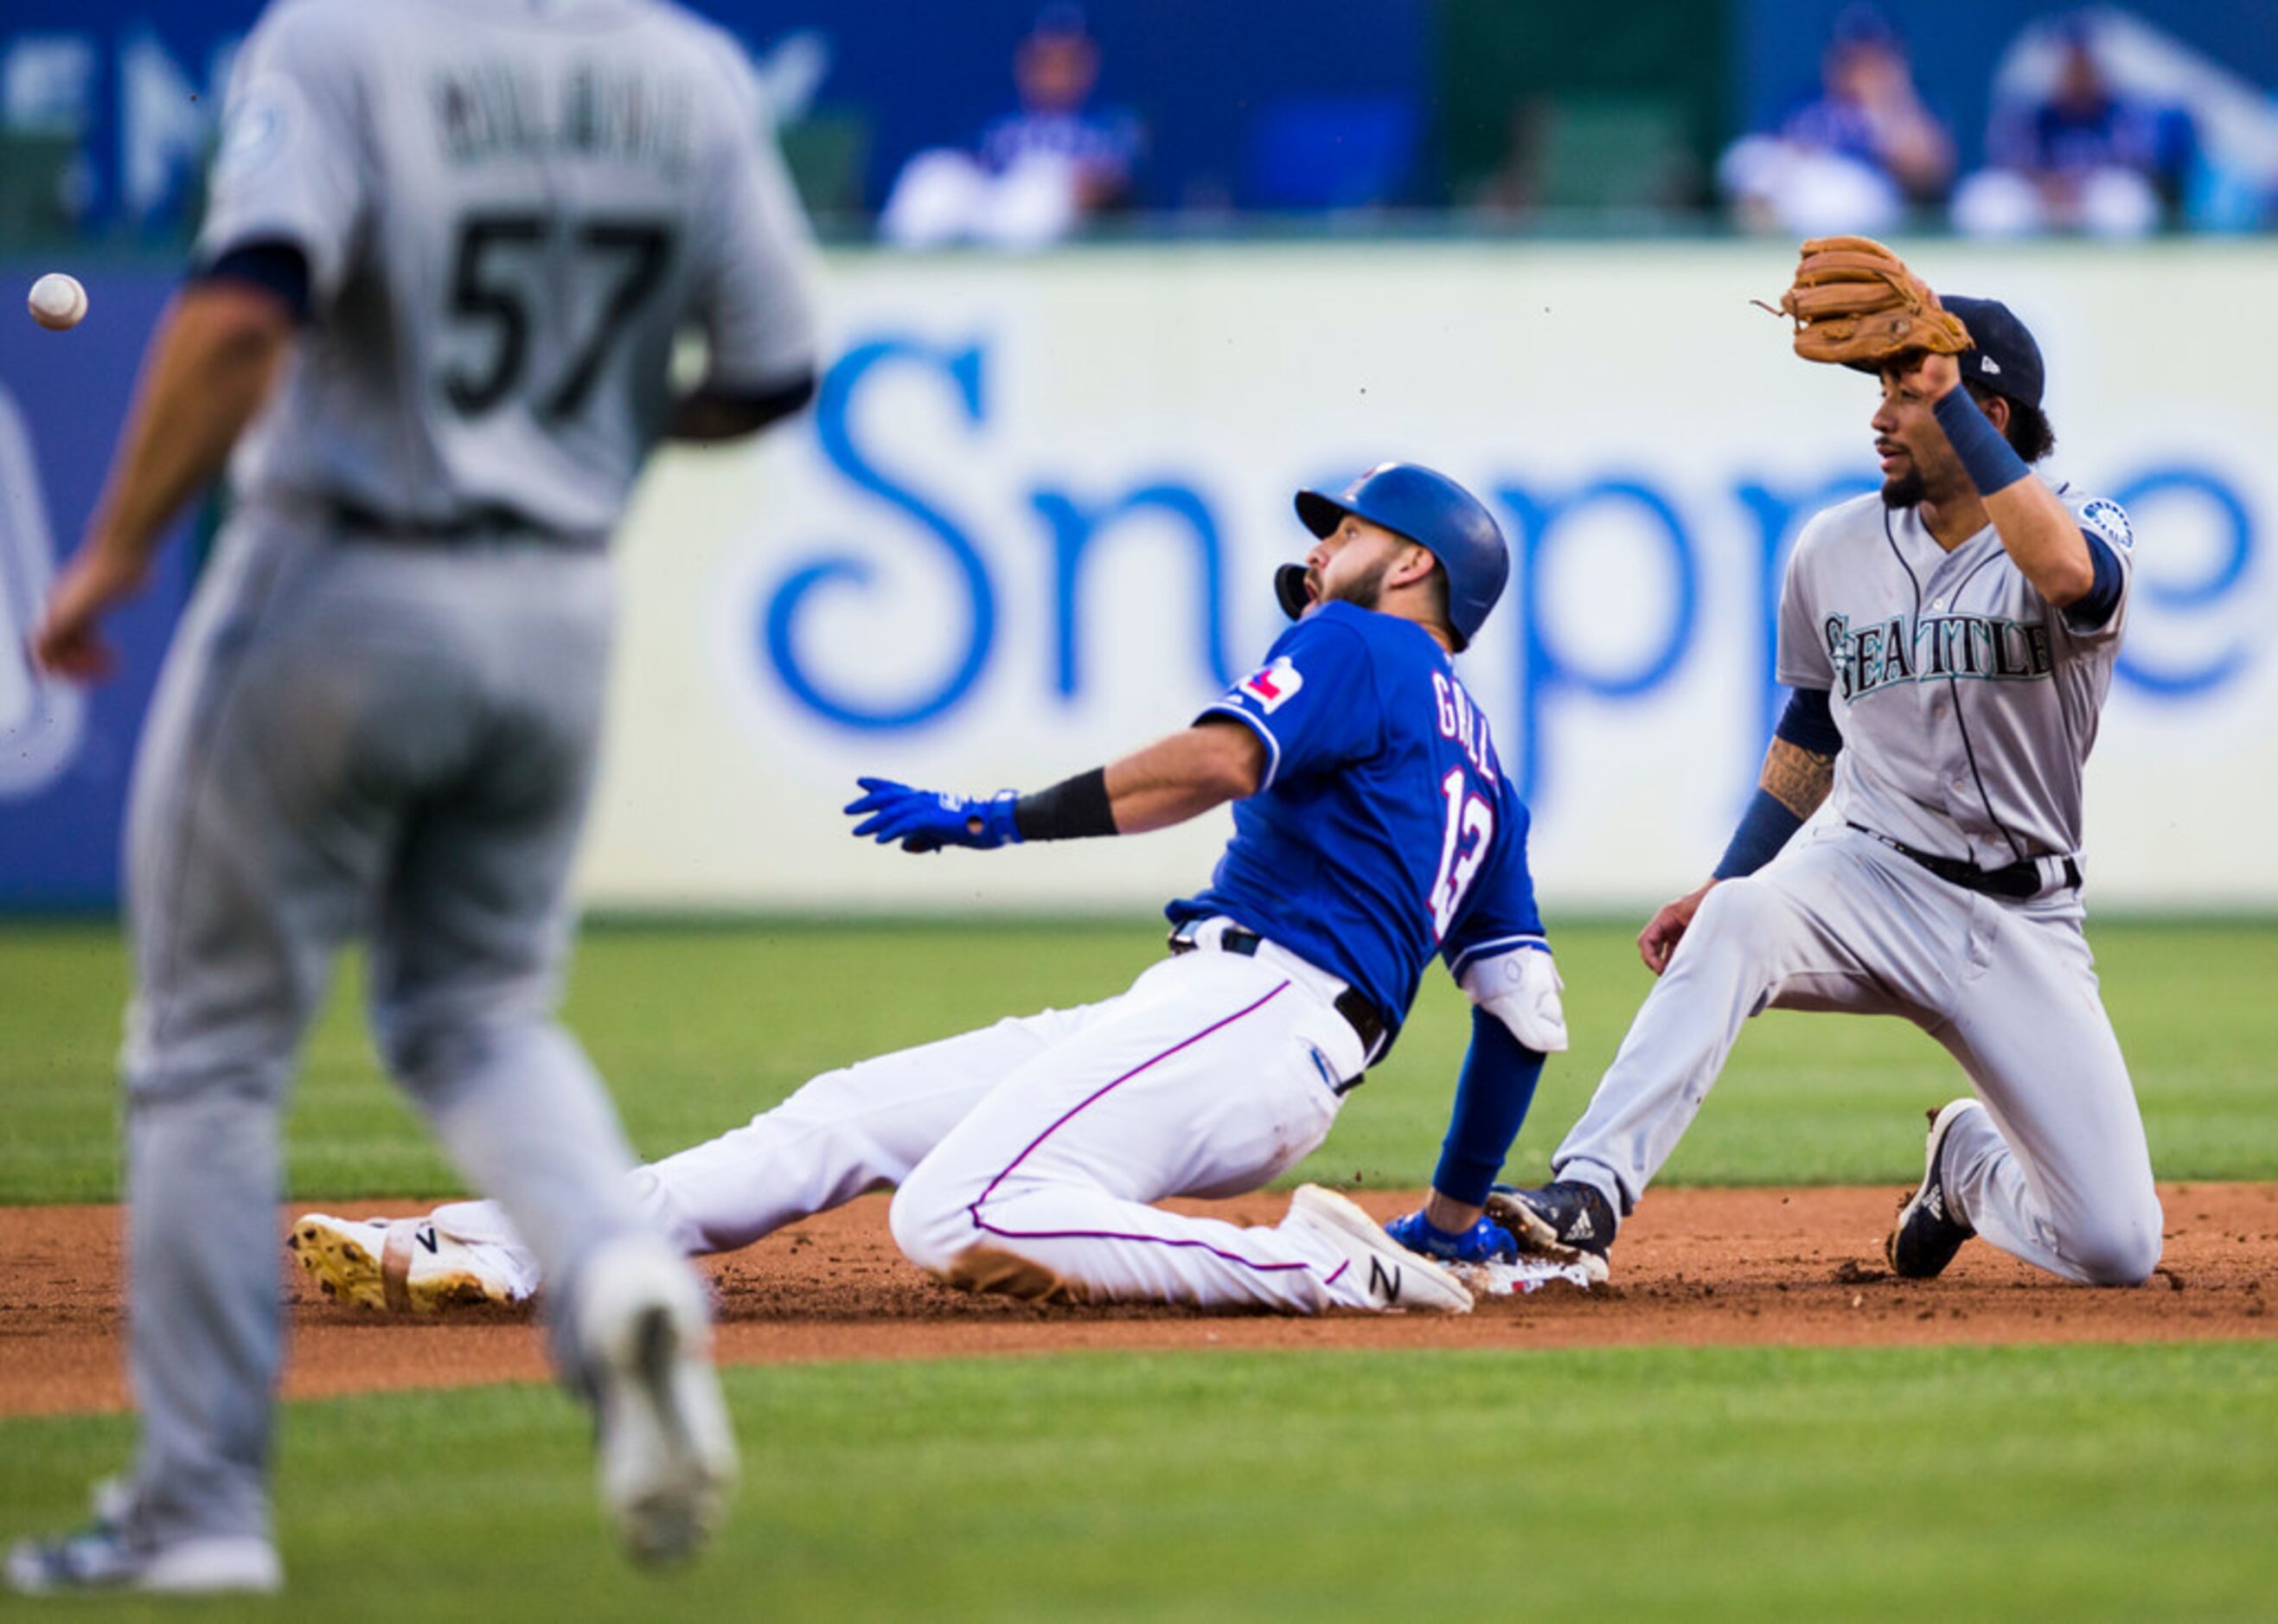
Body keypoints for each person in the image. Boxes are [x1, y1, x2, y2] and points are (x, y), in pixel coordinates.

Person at [9, 0, 823, 1595]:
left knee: (208, 1049)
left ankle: (198, 1512)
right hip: (560, 606)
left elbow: (245, 314)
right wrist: (572, 434)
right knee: (478, 1015)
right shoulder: (686, 68)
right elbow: (775, 366)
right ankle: (609, 1286)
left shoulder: (339, 40)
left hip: (345, 573)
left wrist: (109, 550)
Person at [288, 463, 1594, 1322]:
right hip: (1235, 1020)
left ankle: (1327, 1265)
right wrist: (1457, 1211)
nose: (1320, 553)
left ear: (1414, 563)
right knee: (841, 1117)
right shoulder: (1487, 763)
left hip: (1256, 1017)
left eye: (1348, 529)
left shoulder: (1355, 639)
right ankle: (510, 1247)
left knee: (954, 1214)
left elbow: (1214, 761)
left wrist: (999, 817)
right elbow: (1523, 1007)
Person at [1488, 292, 2164, 1293]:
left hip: (2024, 920)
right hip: (1870, 876)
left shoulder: (2085, 522)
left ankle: (1969, 1169)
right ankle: (1586, 1195)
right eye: (1883, 391)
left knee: (2118, 1249)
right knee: (1742, 920)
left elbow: (2072, 579)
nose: (1880, 417)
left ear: (1991, 416)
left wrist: (1956, 399)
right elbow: (1810, 728)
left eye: (1909, 391)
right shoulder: (1831, 547)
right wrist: (1726, 878)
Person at [878, 4, 1141, 250]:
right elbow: (972, 169)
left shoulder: (1111, 122)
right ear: (1024, 63)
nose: (1055, 70)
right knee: (932, 172)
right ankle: (888, 277)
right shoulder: (998, 120)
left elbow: (1113, 188)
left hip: (1057, 235)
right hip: (993, 212)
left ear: (1089, 65)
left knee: (1040, 185)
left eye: (1067, 60)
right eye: (1044, 59)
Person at [1718, 5, 1953, 236]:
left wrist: (1889, 102)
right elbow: (1765, 152)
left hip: (1857, 198)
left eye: (1869, 58)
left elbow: (1928, 175)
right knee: (1746, 155)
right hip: (1797, 188)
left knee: (1835, 194)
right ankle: (1760, 237)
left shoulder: (1902, 108)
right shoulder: (1807, 102)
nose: (1858, 69)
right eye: (1849, 59)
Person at [1953, 23, 2192, 239]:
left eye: (2085, 64)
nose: (2078, 73)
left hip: (2092, 202)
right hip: (2040, 203)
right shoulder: (2035, 111)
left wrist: (2077, 190)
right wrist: (2052, 191)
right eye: (2071, 64)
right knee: (1988, 201)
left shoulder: (2119, 114)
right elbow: (2010, 164)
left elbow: (2138, 169)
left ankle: (2119, 274)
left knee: (2123, 201)